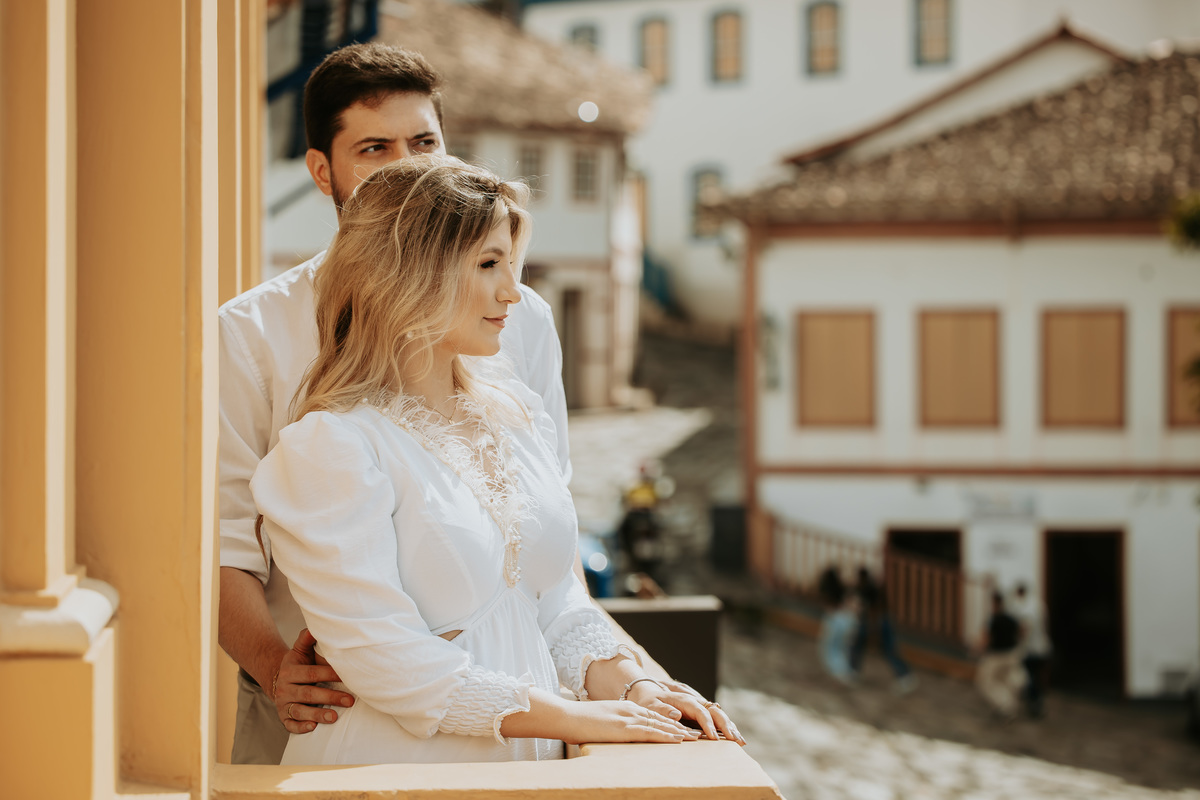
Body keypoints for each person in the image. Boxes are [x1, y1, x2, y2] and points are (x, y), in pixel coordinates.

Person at [250, 155, 743, 764]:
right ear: (409, 274)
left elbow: (558, 603)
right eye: (489, 264)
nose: (513, 289)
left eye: (511, 264)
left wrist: (639, 688)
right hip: (394, 772)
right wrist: (584, 719)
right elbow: (385, 659)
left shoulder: (517, 416)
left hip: (532, 767)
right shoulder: (332, 447)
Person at [218, 43, 575, 764]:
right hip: (324, 708)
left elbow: (544, 508)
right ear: (324, 171)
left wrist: (607, 683)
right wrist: (275, 669)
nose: (410, 167)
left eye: (425, 142)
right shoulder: (250, 333)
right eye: (375, 148)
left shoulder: (524, 317)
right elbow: (223, 540)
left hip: (523, 715)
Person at [849, 567, 918, 695]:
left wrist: (873, 627)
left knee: (883, 648)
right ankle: (905, 676)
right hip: (879, 621)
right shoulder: (872, 588)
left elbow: (873, 609)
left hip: (877, 622)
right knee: (878, 648)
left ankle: (905, 676)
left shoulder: (868, 590)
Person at [975, 590, 1025, 720]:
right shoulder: (1011, 618)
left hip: (997, 656)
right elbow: (1022, 631)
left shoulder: (993, 619)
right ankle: (1007, 707)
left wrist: (978, 649)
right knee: (1003, 680)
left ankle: (1006, 705)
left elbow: (986, 638)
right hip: (1012, 654)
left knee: (986, 682)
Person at [1010, 582, 1052, 718]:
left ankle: (1033, 706)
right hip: (1043, 648)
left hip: (1031, 650)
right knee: (1037, 678)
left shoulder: (1025, 608)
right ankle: (1036, 703)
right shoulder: (1039, 604)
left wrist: (1016, 641)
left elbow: (1024, 629)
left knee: (1029, 678)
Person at [816, 566, 858, 686]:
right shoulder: (842, 589)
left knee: (831, 648)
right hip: (846, 621)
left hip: (834, 621)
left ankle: (841, 673)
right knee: (841, 649)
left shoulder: (828, 590)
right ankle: (845, 672)